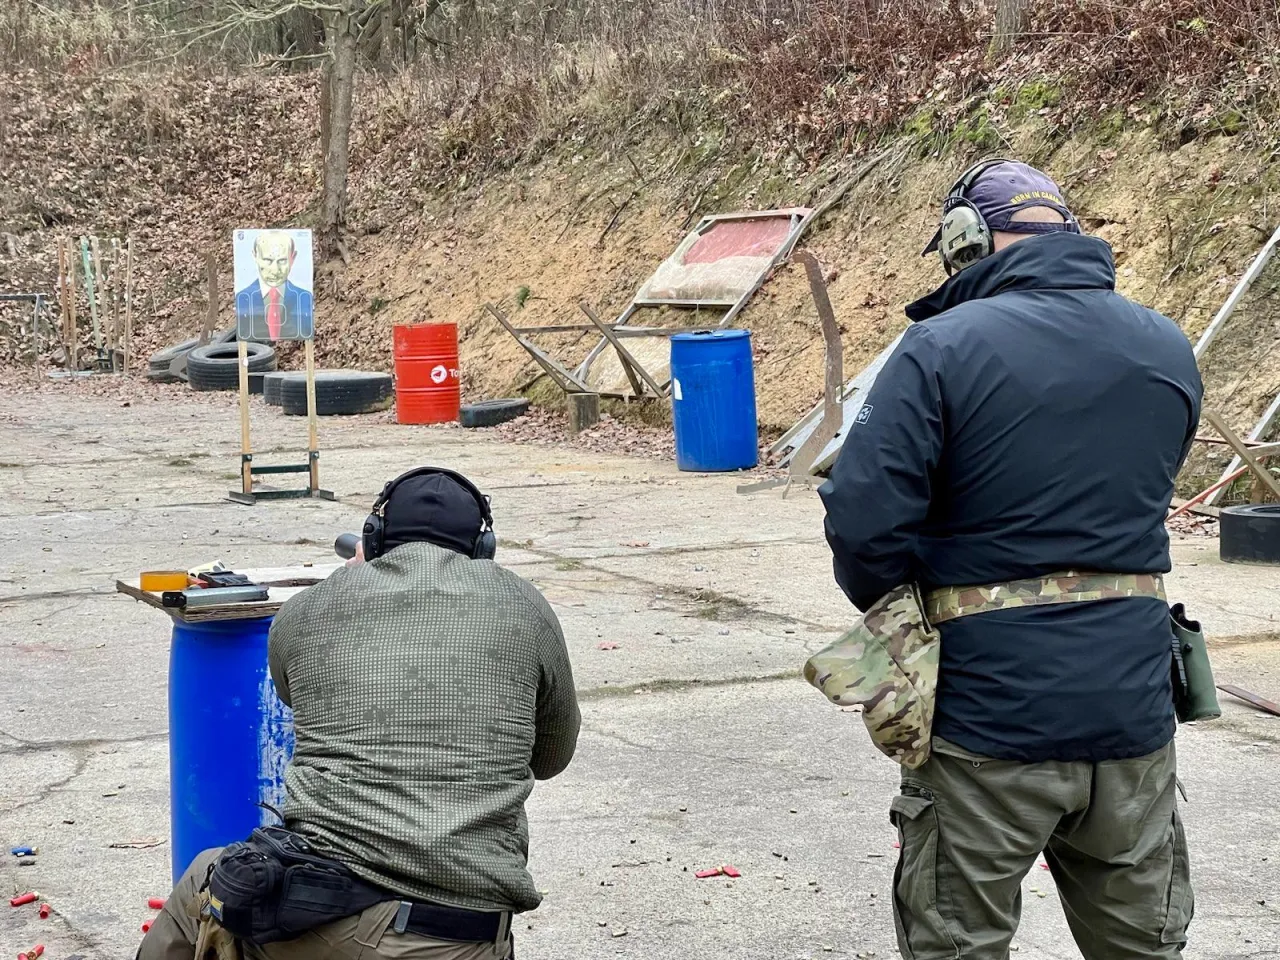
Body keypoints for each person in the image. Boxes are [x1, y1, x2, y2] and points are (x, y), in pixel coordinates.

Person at [818, 159, 1202, 959]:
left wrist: (902, 609)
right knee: (1145, 948)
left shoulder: (940, 346)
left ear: (964, 241)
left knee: (956, 943)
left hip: (986, 715)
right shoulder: (1167, 344)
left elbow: (861, 517)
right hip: (1131, 705)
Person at [140, 466, 580, 960]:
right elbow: (552, 757)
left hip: (318, 919)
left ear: (372, 537)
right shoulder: (526, 604)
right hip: (466, 936)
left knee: (203, 875)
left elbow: (291, 695)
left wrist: (349, 584)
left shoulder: (308, 608)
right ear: (484, 548)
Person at [235, 230, 314, 342]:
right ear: (255, 256)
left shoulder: (304, 297)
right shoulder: (243, 297)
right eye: (267, 260)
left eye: (282, 261)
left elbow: (306, 332)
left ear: (293, 258)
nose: (275, 270)